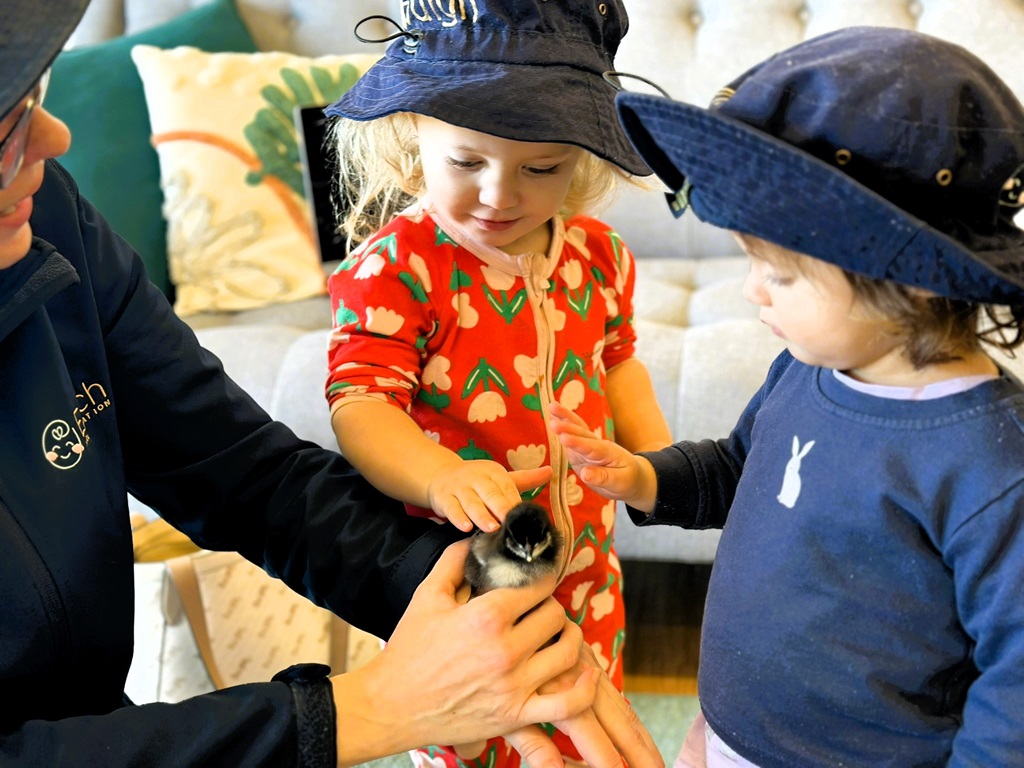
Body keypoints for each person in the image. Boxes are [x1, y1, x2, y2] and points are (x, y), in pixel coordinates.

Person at [0, 2, 666, 767]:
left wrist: (476, 596)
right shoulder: (400, 265)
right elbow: (364, 403)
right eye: (1, 129)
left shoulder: (47, 214)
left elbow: (244, 471)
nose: (54, 139)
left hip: (561, 570)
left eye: (33, 94)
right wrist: (375, 706)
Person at [550, 26, 1024, 768]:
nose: (752, 292)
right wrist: (645, 478)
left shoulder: (992, 463)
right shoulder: (805, 369)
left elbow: (1017, 682)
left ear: (915, 277)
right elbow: (742, 470)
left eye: (782, 274)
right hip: (727, 733)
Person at [322, 2, 673, 767]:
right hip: (469, 577)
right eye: (467, 161)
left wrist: (661, 463)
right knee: (476, 739)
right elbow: (361, 404)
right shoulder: (399, 266)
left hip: (587, 568)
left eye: (540, 169)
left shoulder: (600, 256)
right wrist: (441, 475)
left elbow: (618, 360)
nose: (498, 196)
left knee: (585, 721)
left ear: (579, 155)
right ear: (415, 130)